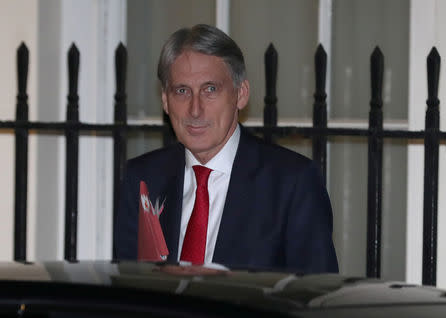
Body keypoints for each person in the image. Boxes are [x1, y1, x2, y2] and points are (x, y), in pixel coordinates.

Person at [115, 24, 338, 273]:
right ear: (166, 102)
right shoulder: (143, 178)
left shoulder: (292, 182)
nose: (195, 109)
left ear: (241, 94)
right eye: (182, 91)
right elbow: (128, 287)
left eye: (210, 89)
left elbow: (316, 295)